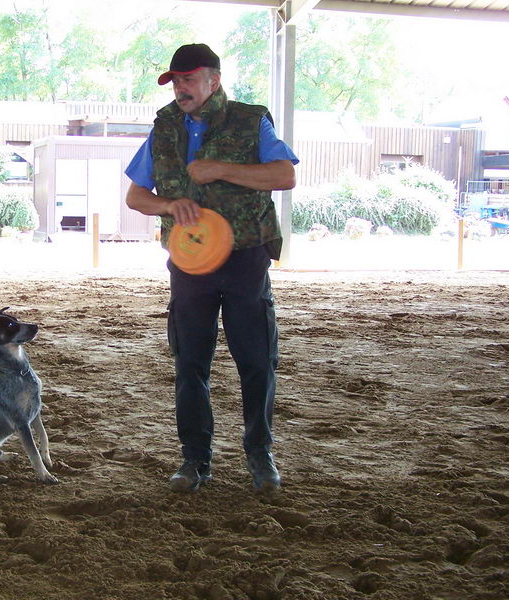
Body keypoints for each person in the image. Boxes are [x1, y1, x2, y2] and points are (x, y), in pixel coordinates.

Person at [124, 43, 298, 493]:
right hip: (189, 262)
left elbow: (283, 176)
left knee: (257, 360)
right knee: (190, 363)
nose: (181, 88)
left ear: (213, 80)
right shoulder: (164, 127)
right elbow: (136, 197)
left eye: (189, 79)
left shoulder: (251, 119)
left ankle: (260, 454)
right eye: (175, 81)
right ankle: (194, 461)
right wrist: (169, 203)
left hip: (245, 257)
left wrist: (220, 169)